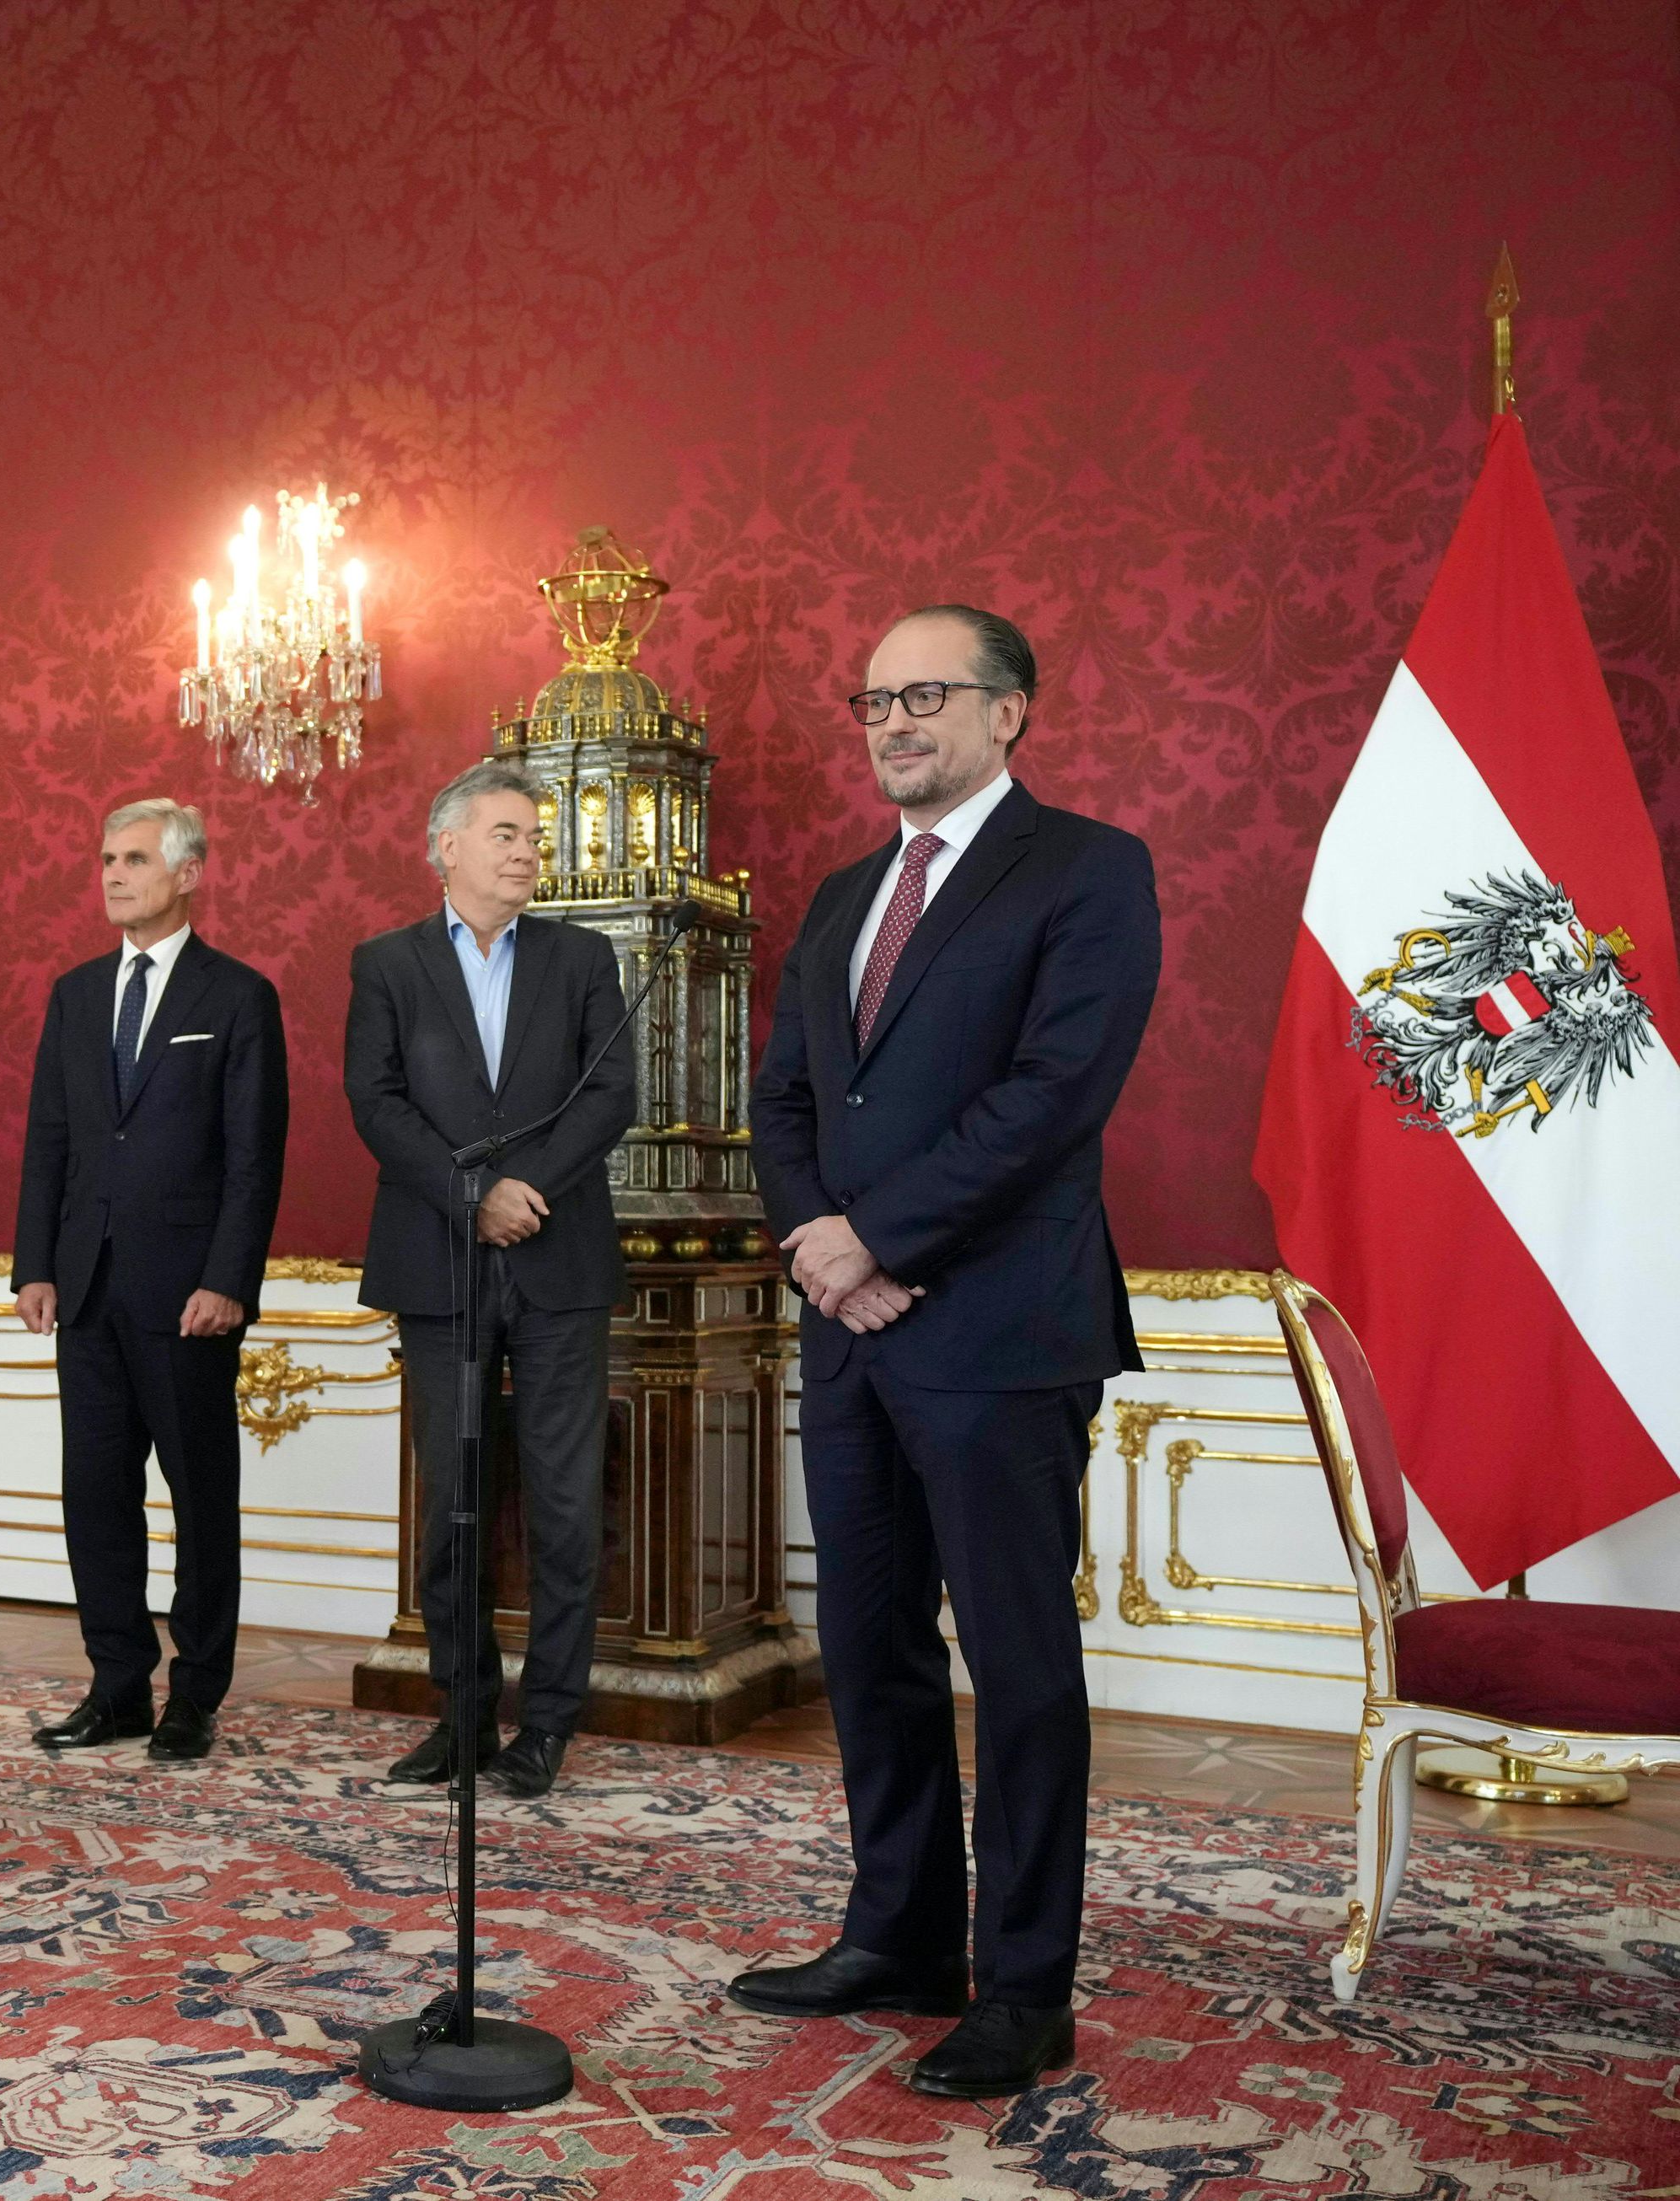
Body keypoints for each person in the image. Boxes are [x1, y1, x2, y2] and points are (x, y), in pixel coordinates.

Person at [736, 605, 1159, 2099]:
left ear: (1011, 712)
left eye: (928, 696)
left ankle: (1025, 1985)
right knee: (870, 1652)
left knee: (1021, 1667)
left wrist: (878, 1241)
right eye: (874, 700)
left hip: (997, 1333)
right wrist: (817, 1248)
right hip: (852, 1337)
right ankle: (900, 1933)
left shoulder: (1091, 869)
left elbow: (1054, 1095)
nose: (895, 723)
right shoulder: (845, 893)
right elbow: (780, 1098)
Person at [345, 757, 635, 1800]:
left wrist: (520, 1191)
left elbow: (610, 1096)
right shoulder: (385, 963)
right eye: (507, 833)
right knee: (452, 1506)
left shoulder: (583, 956)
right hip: (438, 1262)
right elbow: (375, 1104)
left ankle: (547, 1725)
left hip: (557, 1258)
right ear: (447, 845)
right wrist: (473, 1199)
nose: (527, 852)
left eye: (534, 837)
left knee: (564, 1506)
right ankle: (461, 1717)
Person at [13, 798, 287, 1763]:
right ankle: (117, 1686)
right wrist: (34, 1265)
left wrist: (229, 1281)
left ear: (188, 873)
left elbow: (255, 1158)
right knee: (93, 1492)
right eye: (105, 860)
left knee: (200, 1500)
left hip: (188, 1298)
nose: (113, 875)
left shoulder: (236, 997)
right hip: (84, 1288)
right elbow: (49, 1139)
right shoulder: (75, 993)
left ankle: (194, 1694)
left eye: (134, 860)